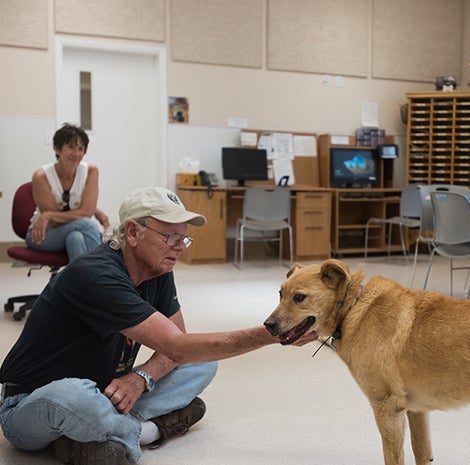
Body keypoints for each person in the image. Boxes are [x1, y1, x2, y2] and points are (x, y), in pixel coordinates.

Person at [0, 186, 317, 465]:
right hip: (30, 403)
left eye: (183, 238)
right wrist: (273, 333)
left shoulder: (159, 269)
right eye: (170, 237)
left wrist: (139, 379)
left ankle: (92, 437)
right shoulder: (95, 274)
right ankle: (148, 432)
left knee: (203, 364)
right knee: (75, 396)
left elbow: (179, 349)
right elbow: (176, 347)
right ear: (134, 232)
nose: (179, 246)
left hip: (104, 389)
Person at [26, 123, 109, 261]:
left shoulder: (91, 172)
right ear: (57, 149)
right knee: (87, 224)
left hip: (74, 231)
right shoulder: (41, 176)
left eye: (81, 149)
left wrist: (49, 215)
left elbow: (86, 212)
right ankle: (101, 272)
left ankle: (80, 282)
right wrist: (49, 217)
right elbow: (56, 222)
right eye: (71, 147)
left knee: (75, 238)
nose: (76, 154)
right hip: (42, 234)